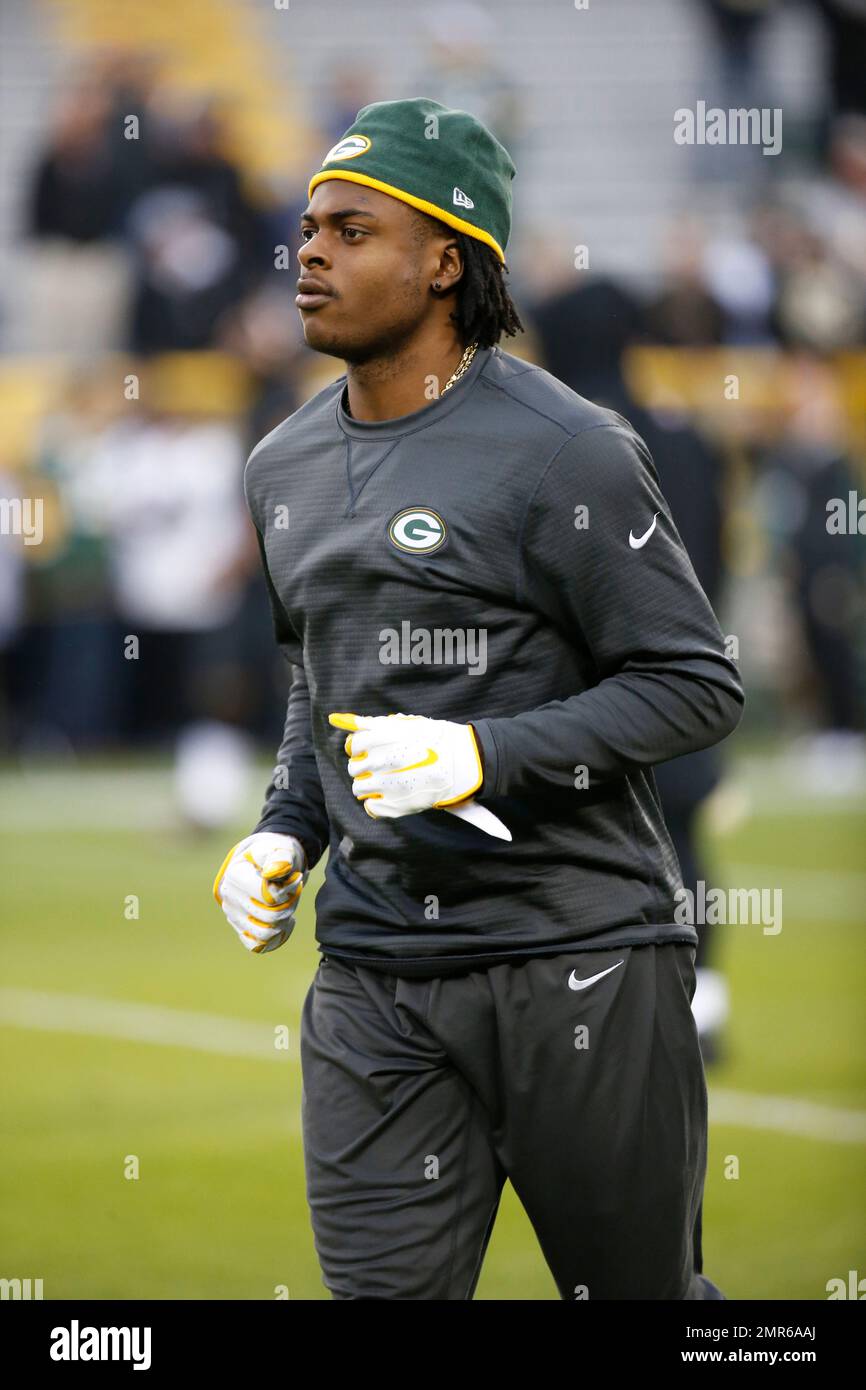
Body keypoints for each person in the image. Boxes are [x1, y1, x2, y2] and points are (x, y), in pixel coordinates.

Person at [212, 98, 744, 1300]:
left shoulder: (568, 448)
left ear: (444, 260)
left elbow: (694, 685)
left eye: (350, 230)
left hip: (580, 961)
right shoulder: (279, 462)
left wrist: (482, 754)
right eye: (306, 228)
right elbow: (318, 676)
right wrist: (283, 828)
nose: (308, 252)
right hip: (370, 977)